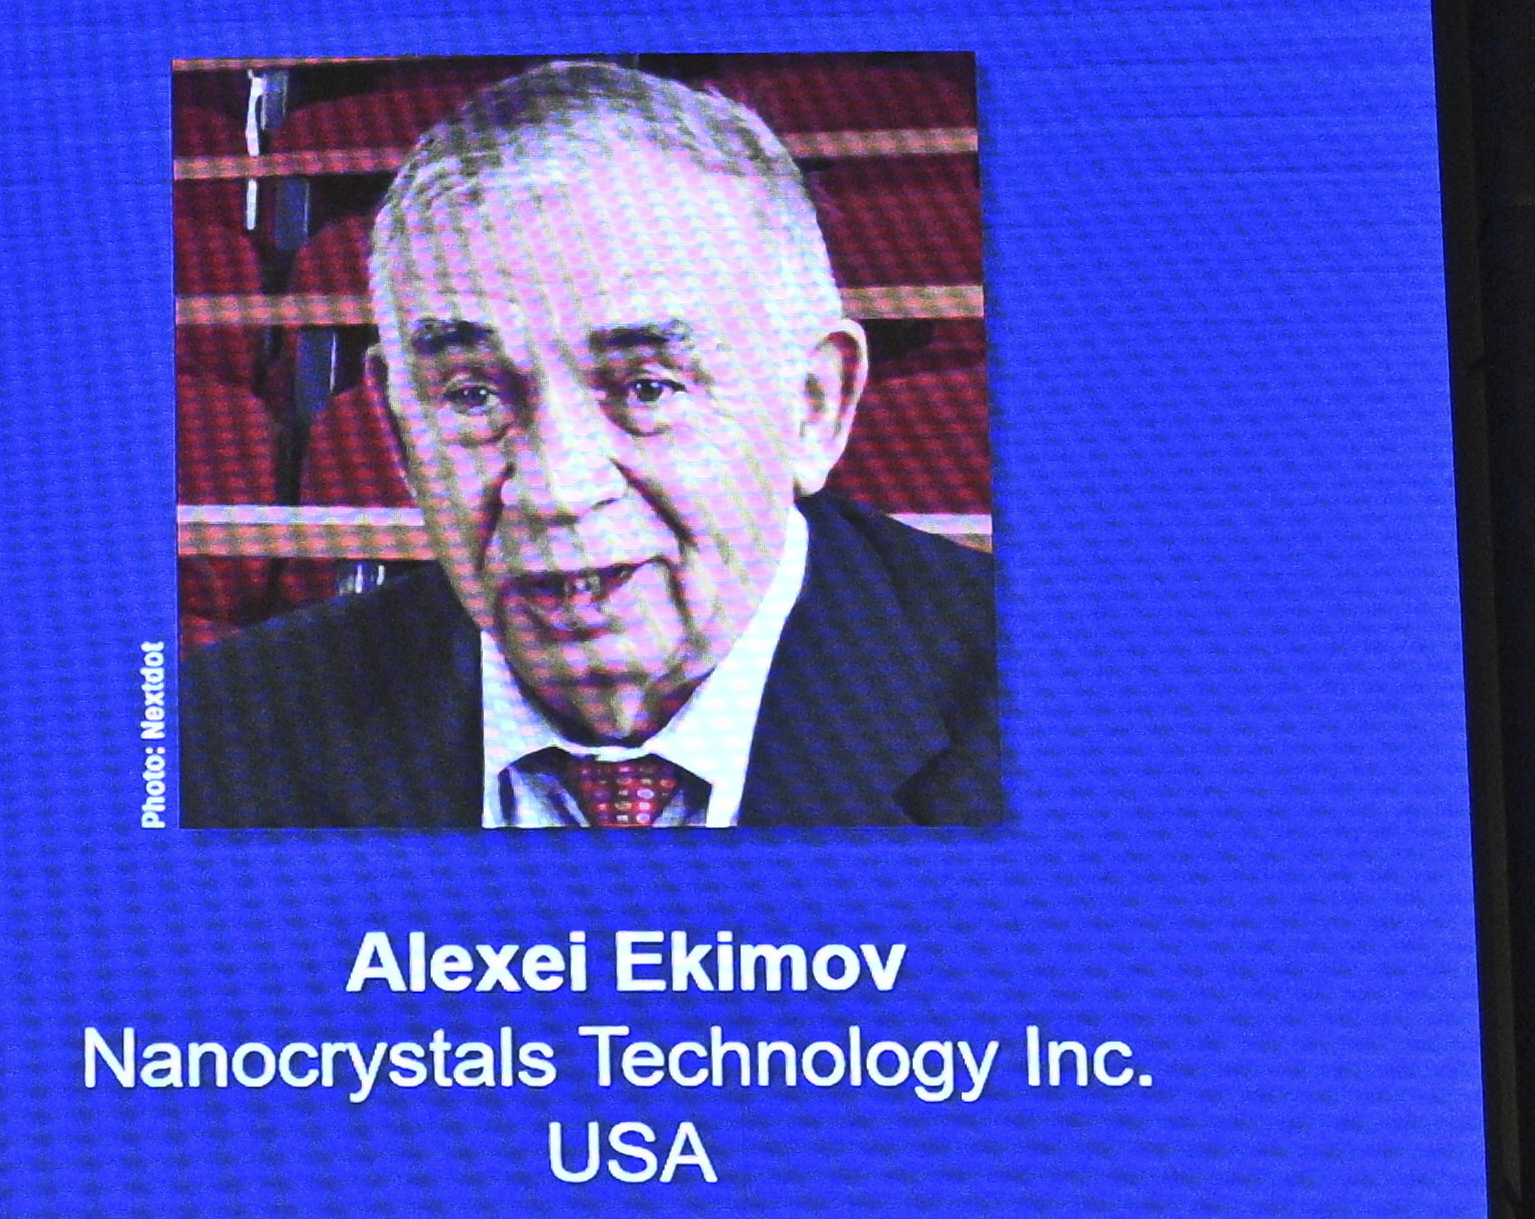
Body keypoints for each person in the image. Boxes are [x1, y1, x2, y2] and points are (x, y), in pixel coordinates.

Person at [179, 61, 1000, 832]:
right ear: (397, 430)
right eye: (473, 396)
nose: (554, 488)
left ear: (815, 407)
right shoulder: (218, 737)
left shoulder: (1069, 711)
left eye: (646, 387)